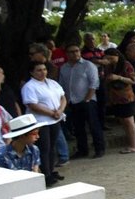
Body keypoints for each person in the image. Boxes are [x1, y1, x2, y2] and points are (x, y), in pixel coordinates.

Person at [20, 58, 66, 186]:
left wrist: (60, 111)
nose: (42, 72)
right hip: (40, 121)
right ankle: (45, 174)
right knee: (44, 148)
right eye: (39, 70)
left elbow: (63, 97)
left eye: (44, 69)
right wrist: (51, 113)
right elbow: (32, 105)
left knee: (52, 146)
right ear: (32, 72)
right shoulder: (30, 86)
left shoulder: (52, 83)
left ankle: (51, 170)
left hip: (55, 119)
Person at [58, 44, 103, 159]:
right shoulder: (64, 68)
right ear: (67, 54)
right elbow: (61, 85)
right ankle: (82, 150)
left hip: (88, 100)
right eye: (72, 52)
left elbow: (94, 83)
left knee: (93, 125)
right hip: (72, 102)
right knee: (78, 128)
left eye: (77, 51)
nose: (75, 53)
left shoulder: (88, 65)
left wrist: (87, 99)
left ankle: (99, 149)